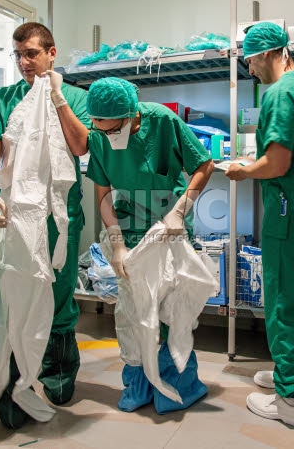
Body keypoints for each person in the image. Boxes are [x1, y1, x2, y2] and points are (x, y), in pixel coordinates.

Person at [0, 22, 90, 429]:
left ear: (52, 52)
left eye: (32, 54)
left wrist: (58, 98)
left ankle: (57, 372)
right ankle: (14, 385)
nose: (24, 62)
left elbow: (81, 145)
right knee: (16, 295)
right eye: (18, 54)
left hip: (59, 216)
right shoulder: (4, 98)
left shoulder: (76, 96)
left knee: (58, 294)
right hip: (16, 214)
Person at [77, 77, 213, 414]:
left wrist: (179, 212)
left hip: (170, 226)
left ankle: (178, 382)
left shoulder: (162, 121)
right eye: (98, 128)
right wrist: (116, 242)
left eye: (110, 128)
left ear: (131, 115)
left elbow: (204, 165)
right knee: (131, 310)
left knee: (171, 306)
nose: (105, 135)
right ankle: (137, 381)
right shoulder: (98, 135)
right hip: (129, 227)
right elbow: (103, 191)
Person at [224, 22, 294, 427]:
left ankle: (290, 403)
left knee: (284, 303)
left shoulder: (281, 93)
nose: (250, 69)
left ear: (271, 53)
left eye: (251, 60)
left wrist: (242, 170)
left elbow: (277, 164)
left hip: (287, 211)